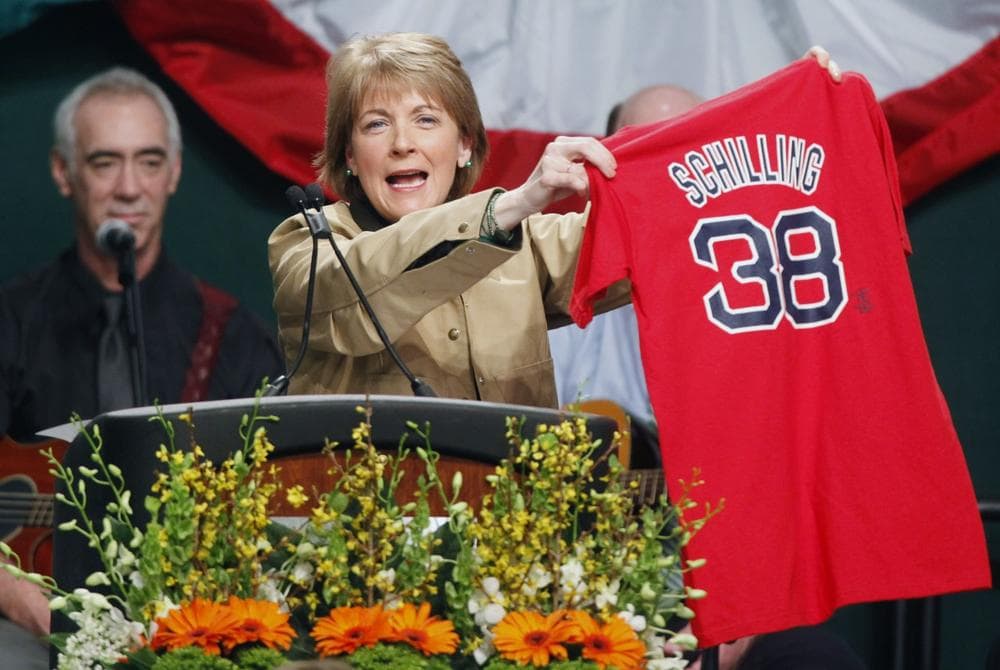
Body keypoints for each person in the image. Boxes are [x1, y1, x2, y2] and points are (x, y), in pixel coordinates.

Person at [0, 66, 284, 668]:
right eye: (105, 162)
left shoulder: (232, 336)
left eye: (149, 162)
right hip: (26, 619)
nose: (129, 188)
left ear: (174, 173)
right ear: (63, 172)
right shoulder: (11, 320)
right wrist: (27, 605)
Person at [549, 83, 706, 466]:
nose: (669, 172)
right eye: (647, 149)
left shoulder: (762, 291)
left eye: (685, 149)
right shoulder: (558, 286)